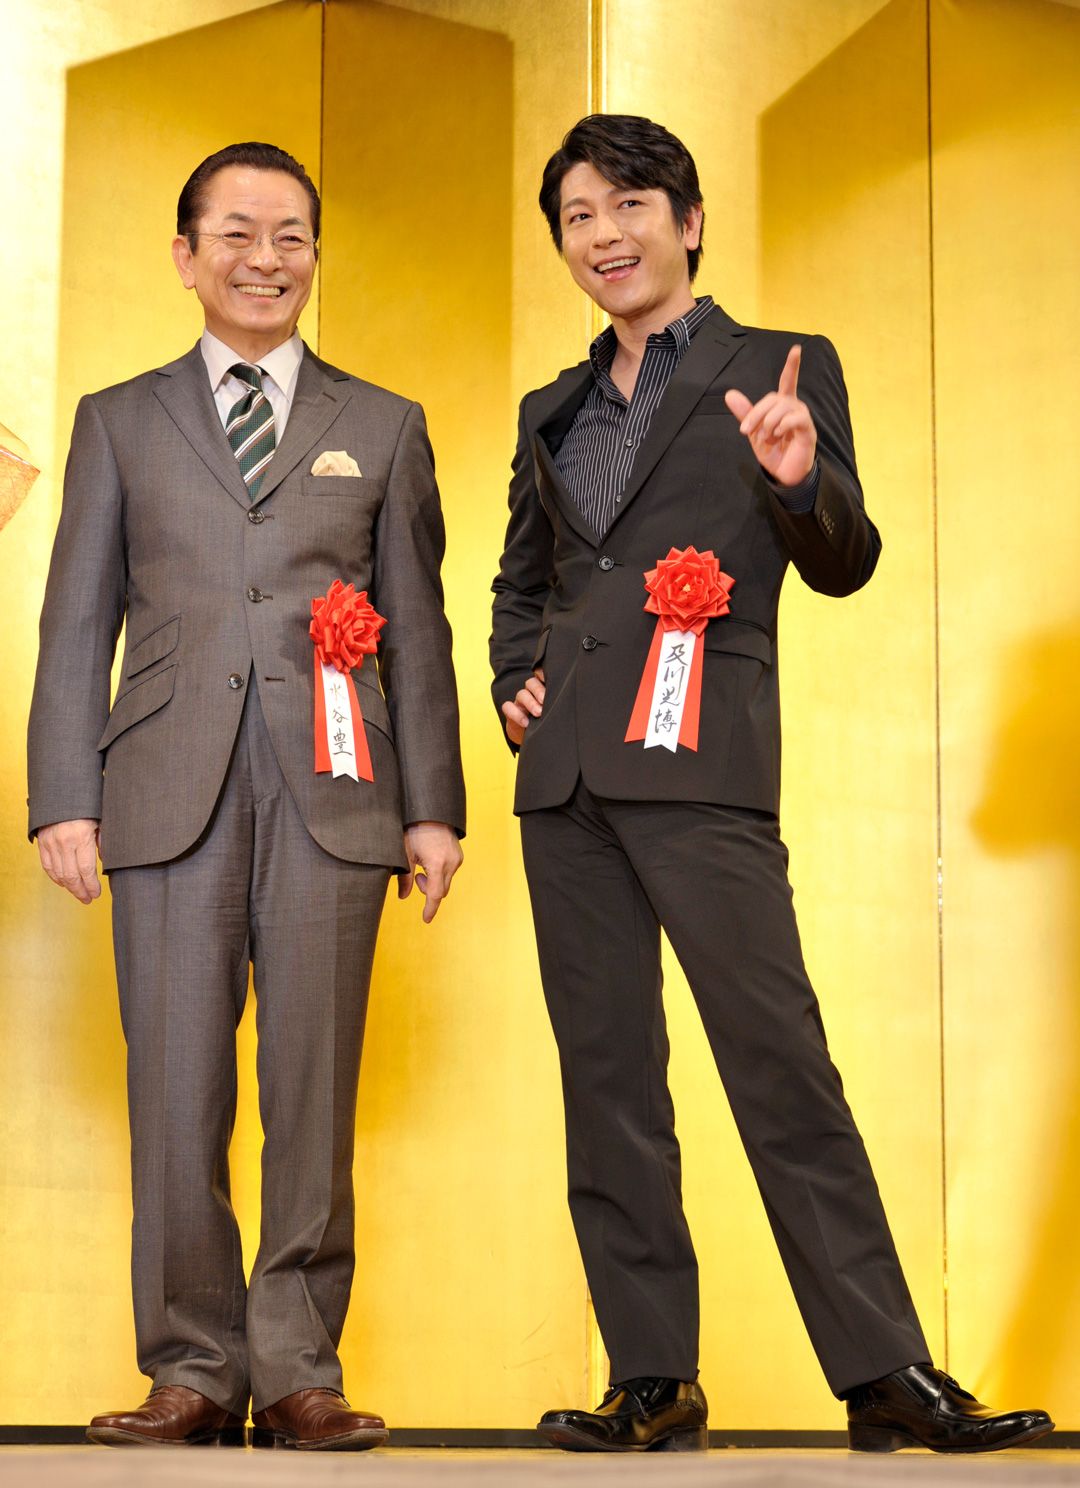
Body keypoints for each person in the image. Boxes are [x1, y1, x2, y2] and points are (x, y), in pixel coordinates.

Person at [490, 113, 1051, 1455]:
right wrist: (514, 677)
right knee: (608, 1082)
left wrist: (799, 480)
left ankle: (885, 1369)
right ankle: (653, 1378)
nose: (605, 234)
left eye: (630, 204)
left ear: (689, 222)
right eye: (578, 215)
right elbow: (525, 578)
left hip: (704, 765)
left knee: (779, 1064)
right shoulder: (550, 408)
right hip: (566, 788)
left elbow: (844, 558)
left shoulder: (780, 367)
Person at [28, 141, 465, 1450]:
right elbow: (75, 621)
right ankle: (192, 1370)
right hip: (163, 790)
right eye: (236, 234)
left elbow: (418, 630)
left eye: (290, 237)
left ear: (315, 256)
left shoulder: (383, 423)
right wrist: (64, 795)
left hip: (338, 790)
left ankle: (298, 1373)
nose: (265, 259)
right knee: (175, 1086)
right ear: (186, 256)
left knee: (312, 1087)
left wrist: (431, 808)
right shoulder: (118, 418)